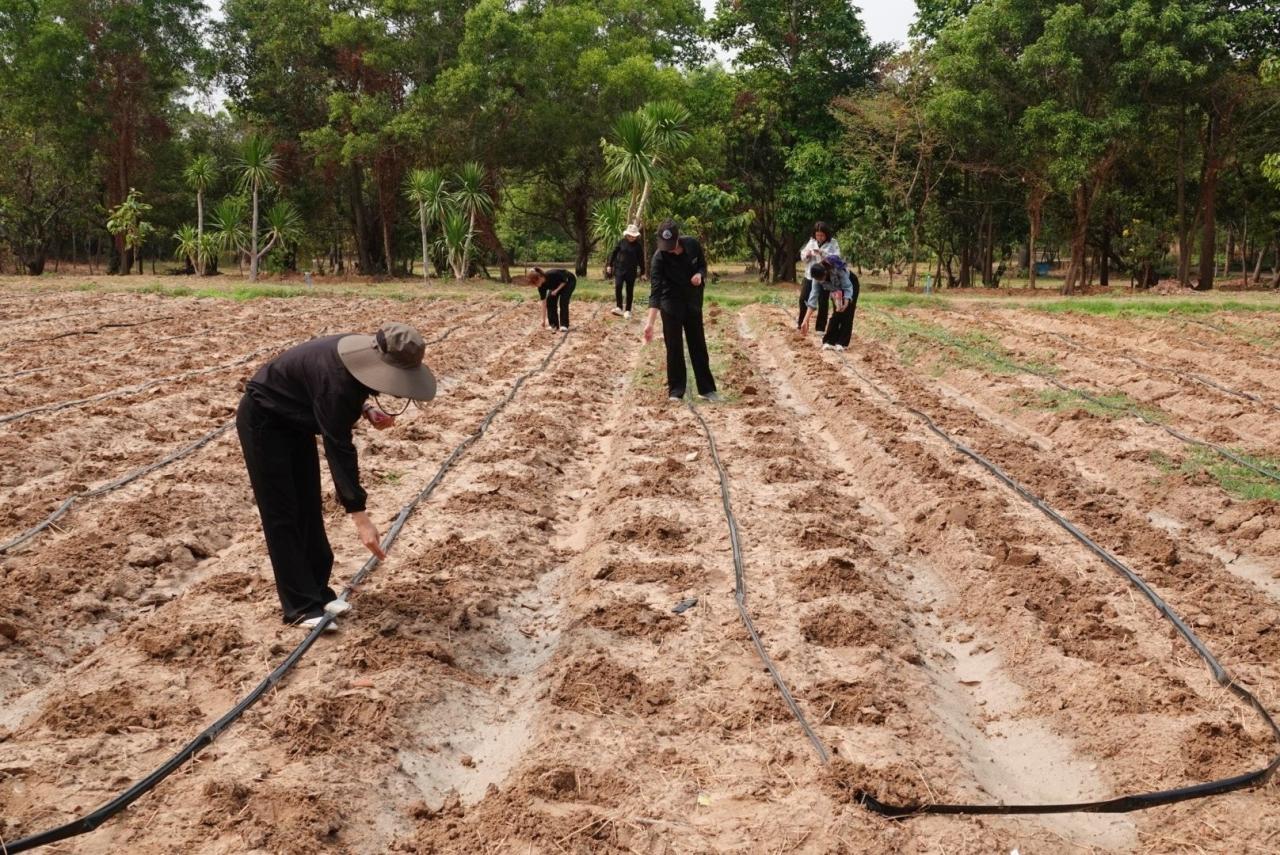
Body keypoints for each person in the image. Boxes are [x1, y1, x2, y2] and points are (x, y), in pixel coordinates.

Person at [237, 323, 437, 630]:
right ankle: (300, 607)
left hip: (296, 422)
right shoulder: (338, 383)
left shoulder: (355, 362)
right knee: (282, 513)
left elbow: (344, 386)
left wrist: (368, 407)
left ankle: (319, 592)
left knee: (307, 504)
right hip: (264, 420)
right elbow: (339, 448)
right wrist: (359, 515)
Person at [641, 220, 720, 402]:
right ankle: (676, 391)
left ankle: (707, 390)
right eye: (664, 245)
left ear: (678, 238)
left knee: (698, 344)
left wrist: (699, 274)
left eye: (671, 245)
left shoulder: (692, 244)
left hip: (692, 301)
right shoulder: (659, 258)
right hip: (670, 304)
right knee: (674, 348)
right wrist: (650, 323)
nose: (668, 249)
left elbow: (702, 265)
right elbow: (655, 293)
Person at [799, 256, 859, 351]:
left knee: (847, 313)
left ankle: (842, 343)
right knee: (837, 312)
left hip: (850, 284)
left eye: (821, 278)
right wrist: (805, 320)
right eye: (818, 280)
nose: (820, 281)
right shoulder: (817, 279)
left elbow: (847, 286)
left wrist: (846, 301)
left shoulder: (836, 270)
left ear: (825, 272)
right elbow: (813, 297)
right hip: (836, 290)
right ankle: (829, 341)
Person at [797, 222, 841, 332]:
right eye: (817, 235)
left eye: (822, 235)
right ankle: (802, 324)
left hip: (824, 276)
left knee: (822, 301)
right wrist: (807, 254)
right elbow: (803, 255)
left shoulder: (833, 242)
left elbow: (837, 257)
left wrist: (822, 253)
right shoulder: (812, 241)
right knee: (803, 299)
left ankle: (820, 328)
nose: (819, 237)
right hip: (810, 275)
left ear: (826, 234)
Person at [605, 224, 645, 319]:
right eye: (630, 236)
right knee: (618, 286)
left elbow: (641, 260)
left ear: (636, 236)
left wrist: (643, 272)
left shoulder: (638, 246)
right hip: (619, 269)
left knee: (629, 290)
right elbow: (614, 253)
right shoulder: (621, 242)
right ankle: (619, 307)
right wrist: (609, 265)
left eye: (633, 236)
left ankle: (628, 310)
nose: (631, 237)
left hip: (631, 271)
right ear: (626, 235)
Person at [527, 267, 576, 332]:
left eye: (535, 283)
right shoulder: (541, 287)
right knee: (550, 300)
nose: (536, 285)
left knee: (563, 300)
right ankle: (553, 325)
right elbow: (544, 302)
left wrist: (556, 291)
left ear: (540, 277)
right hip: (557, 284)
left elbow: (564, 281)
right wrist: (543, 320)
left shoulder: (552, 274)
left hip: (569, 281)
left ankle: (564, 325)